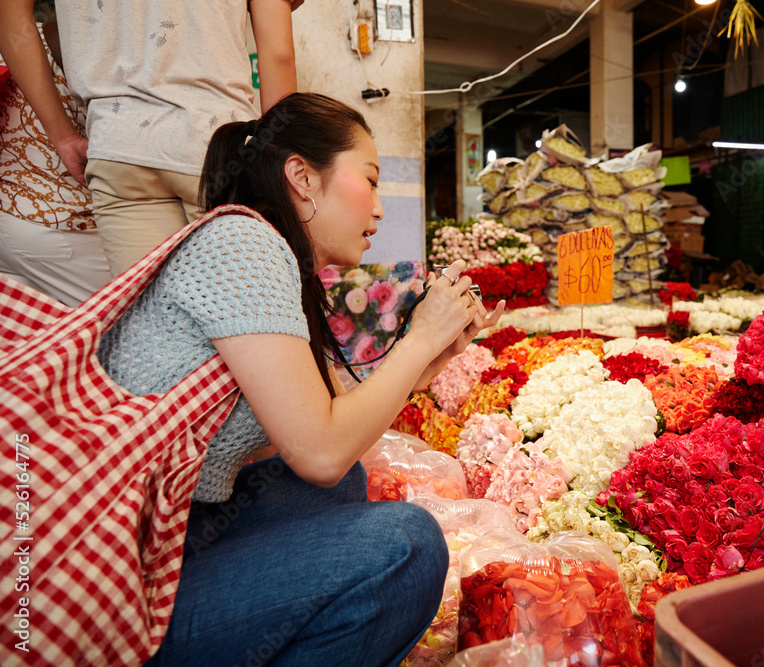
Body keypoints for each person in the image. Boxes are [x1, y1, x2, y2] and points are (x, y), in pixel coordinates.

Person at [92, 91, 506, 665]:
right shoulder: (245, 243)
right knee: (406, 545)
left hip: (170, 536)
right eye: (372, 179)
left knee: (340, 488)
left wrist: (427, 360)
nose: (380, 209)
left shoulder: (267, 251)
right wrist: (419, 341)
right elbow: (320, 448)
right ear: (302, 177)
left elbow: (323, 415)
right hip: (115, 583)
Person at [0, 0, 299, 277]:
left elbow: (9, 14)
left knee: (152, 325)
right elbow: (278, 55)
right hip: (217, 148)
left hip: (118, 148)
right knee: (243, 315)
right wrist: (275, 161)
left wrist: (62, 135)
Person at [0, 20, 112, 307]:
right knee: (139, 329)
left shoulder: (18, 41)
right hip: (62, 227)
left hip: (18, 221)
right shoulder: (87, 35)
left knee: (41, 346)